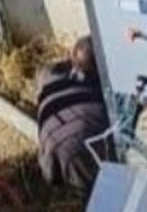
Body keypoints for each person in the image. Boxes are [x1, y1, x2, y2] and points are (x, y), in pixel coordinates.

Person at [35, 35, 114, 191]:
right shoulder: (99, 105)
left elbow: (42, 74)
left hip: (49, 161)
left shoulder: (48, 75)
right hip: (75, 162)